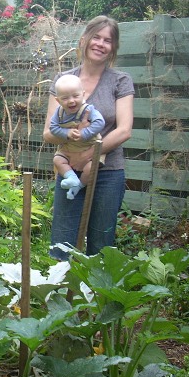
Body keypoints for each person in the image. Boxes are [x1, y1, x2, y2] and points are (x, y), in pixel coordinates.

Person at [43, 16, 134, 260]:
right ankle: (59, 292)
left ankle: (95, 295)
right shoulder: (63, 82)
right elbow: (48, 133)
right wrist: (71, 145)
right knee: (62, 241)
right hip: (69, 172)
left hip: (108, 172)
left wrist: (90, 154)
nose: (101, 44)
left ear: (113, 48)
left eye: (108, 40)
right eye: (97, 37)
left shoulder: (120, 81)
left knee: (101, 241)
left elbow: (124, 130)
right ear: (84, 39)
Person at [50, 74, 105, 200]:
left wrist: (84, 133)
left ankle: (78, 186)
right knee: (57, 160)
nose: (71, 101)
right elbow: (53, 128)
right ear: (58, 100)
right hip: (69, 148)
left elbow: (99, 122)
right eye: (65, 98)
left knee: (90, 168)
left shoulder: (88, 110)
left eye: (76, 96)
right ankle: (71, 178)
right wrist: (67, 133)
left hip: (89, 146)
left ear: (83, 94)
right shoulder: (58, 114)